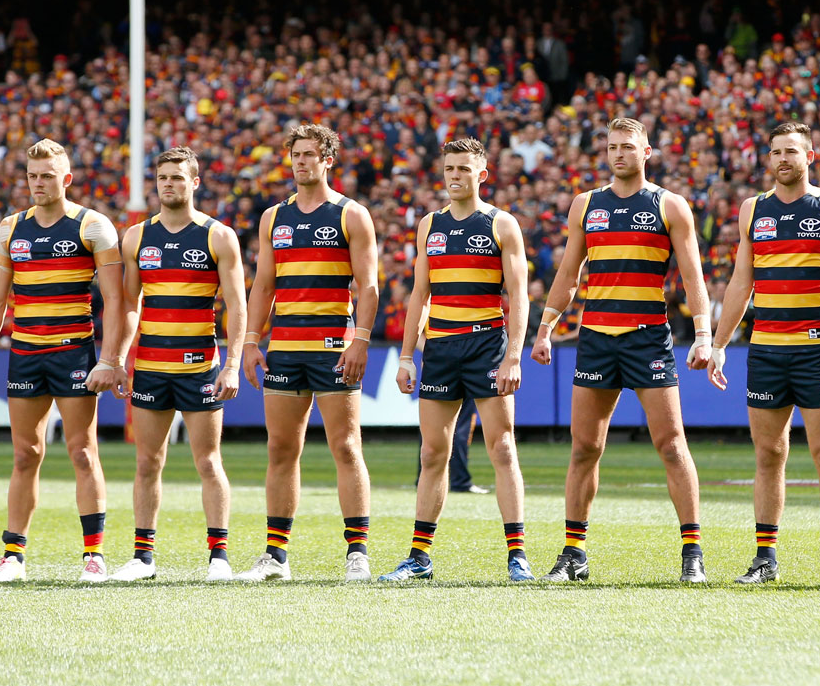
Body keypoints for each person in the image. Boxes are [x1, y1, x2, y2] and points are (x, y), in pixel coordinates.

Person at [531, 117, 713, 583]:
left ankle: (692, 553)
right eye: (612, 146)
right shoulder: (585, 205)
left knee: (671, 446)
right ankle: (574, 554)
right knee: (584, 448)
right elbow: (569, 274)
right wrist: (546, 328)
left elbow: (692, 277)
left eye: (628, 147)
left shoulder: (670, 206)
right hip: (594, 338)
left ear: (646, 151)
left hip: (647, 337)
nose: (619, 154)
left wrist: (704, 334)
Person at [707, 122, 820, 585]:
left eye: (792, 152)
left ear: (810, 156)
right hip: (764, 351)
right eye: (776, 151)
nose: (783, 159)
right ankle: (765, 559)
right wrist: (719, 344)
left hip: (815, 352)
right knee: (768, 454)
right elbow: (741, 283)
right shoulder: (752, 210)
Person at [0, 138, 129, 583]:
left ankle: (93, 556)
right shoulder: (10, 228)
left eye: (47, 176)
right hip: (24, 353)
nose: (38, 184)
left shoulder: (93, 225)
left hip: (74, 352)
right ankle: (13, 557)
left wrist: (110, 358)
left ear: (67, 179)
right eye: (32, 176)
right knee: (25, 454)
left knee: (82, 450)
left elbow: (114, 300)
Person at [237, 124, 378, 582]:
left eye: (310, 154)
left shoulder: (351, 215)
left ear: (328, 160)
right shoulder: (273, 218)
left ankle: (357, 552)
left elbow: (369, 286)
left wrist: (360, 339)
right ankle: (275, 556)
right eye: (296, 154)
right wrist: (251, 342)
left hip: (333, 348)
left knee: (345, 445)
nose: (301, 162)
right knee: (280, 448)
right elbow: (263, 285)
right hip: (284, 348)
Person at [386, 137, 531, 582]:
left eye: (464, 169)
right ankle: (419, 558)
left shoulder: (501, 224)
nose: (454, 176)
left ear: (482, 175)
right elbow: (419, 295)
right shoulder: (429, 225)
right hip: (442, 350)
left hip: (486, 344)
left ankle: (517, 556)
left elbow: (520, 295)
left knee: (501, 448)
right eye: (450, 168)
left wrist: (513, 356)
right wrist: (407, 355)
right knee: (433, 453)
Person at [109, 147, 247, 582]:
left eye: (177, 177)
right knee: (148, 462)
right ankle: (143, 558)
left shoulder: (218, 236)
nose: (168, 184)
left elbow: (238, 307)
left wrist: (231, 365)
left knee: (208, 462)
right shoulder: (135, 237)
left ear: (195, 182)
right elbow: (129, 304)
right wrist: (117, 360)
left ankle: (219, 557)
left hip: (200, 366)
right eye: (163, 177)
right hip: (150, 366)